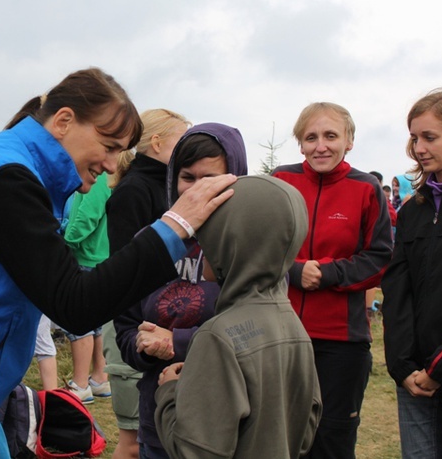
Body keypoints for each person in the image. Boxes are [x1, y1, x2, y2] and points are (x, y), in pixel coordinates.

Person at [0, 67, 237, 458]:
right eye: (110, 145)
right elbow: (74, 303)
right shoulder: (5, 176)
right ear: (64, 121)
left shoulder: (16, 170)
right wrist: (175, 225)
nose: (114, 165)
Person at [155, 175, 323, 459]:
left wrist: (170, 392)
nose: (202, 248)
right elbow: (306, 430)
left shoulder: (218, 336)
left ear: (232, 242)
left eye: (210, 233)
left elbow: (194, 451)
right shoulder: (293, 323)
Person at [115, 122, 248, 459]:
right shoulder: (152, 240)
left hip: (228, 422)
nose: (195, 190)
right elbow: (126, 325)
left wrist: (176, 342)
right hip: (159, 416)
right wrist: (145, 346)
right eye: (187, 177)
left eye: (209, 179)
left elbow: (254, 327)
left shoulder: (251, 245)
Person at [272, 102, 393, 458]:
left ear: (349, 141)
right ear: (300, 144)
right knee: (279, 439)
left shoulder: (366, 188)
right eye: (311, 137)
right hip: (281, 335)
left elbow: (380, 258)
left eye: (330, 135)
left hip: (342, 342)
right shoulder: (281, 180)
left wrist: (326, 273)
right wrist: (295, 270)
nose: (320, 146)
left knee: (332, 441)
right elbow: (260, 246)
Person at [105, 108, 189, 459]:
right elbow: (128, 267)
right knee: (134, 442)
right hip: (137, 327)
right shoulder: (135, 191)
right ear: (157, 141)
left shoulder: (170, 187)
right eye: (182, 140)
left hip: (164, 325)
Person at [381, 88, 442, 458]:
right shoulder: (413, 211)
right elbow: (396, 293)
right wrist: (402, 366)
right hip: (414, 376)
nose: (419, 147)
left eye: (430, 137)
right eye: (414, 138)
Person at [63, 171, 113, 405]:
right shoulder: (112, 175)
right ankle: (99, 378)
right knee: (97, 324)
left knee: (79, 321)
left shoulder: (100, 176)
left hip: (86, 256)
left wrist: (67, 241)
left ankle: (81, 384)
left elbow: (88, 215)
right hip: (102, 257)